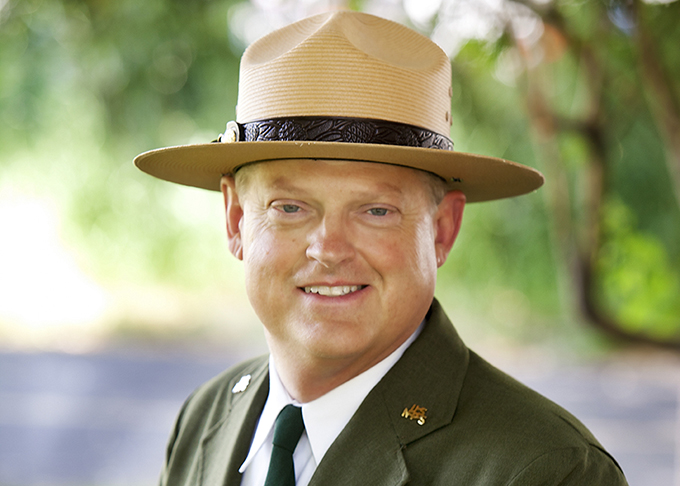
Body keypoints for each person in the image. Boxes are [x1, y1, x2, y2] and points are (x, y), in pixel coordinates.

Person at [134, 10, 628, 486]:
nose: (328, 249)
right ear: (236, 218)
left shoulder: (543, 471)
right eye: (290, 208)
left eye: (375, 211)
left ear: (442, 230)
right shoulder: (207, 418)